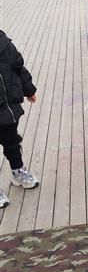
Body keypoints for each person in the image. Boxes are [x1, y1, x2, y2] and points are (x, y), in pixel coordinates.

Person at [0, 30, 40, 208]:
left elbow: (18, 66)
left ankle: (18, 171)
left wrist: (28, 89)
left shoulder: (4, 43)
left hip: (8, 107)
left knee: (12, 142)